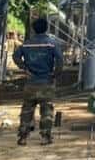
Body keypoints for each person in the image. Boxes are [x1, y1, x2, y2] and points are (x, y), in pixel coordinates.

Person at [13, 17, 63, 146]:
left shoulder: (26, 44)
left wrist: (24, 68)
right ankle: (46, 137)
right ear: (46, 28)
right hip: (46, 82)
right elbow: (60, 61)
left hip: (30, 83)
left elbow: (15, 56)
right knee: (46, 111)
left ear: (34, 29)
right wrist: (55, 74)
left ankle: (23, 137)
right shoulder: (52, 44)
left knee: (26, 111)